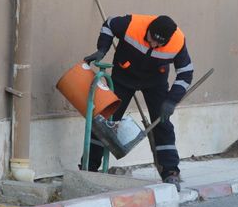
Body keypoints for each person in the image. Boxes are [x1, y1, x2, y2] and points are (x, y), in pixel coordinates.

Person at [83, 14, 193, 190]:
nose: (154, 45)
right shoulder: (132, 24)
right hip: (123, 77)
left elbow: (186, 72)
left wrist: (171, 100)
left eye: (160, 44)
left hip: (155, 82)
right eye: (152, 40)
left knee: (162, 124)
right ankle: (89, 168)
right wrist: (102, 49)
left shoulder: (177, 41)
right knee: (105, 120)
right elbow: (109, 24)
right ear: (148, 30)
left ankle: (170, 172)